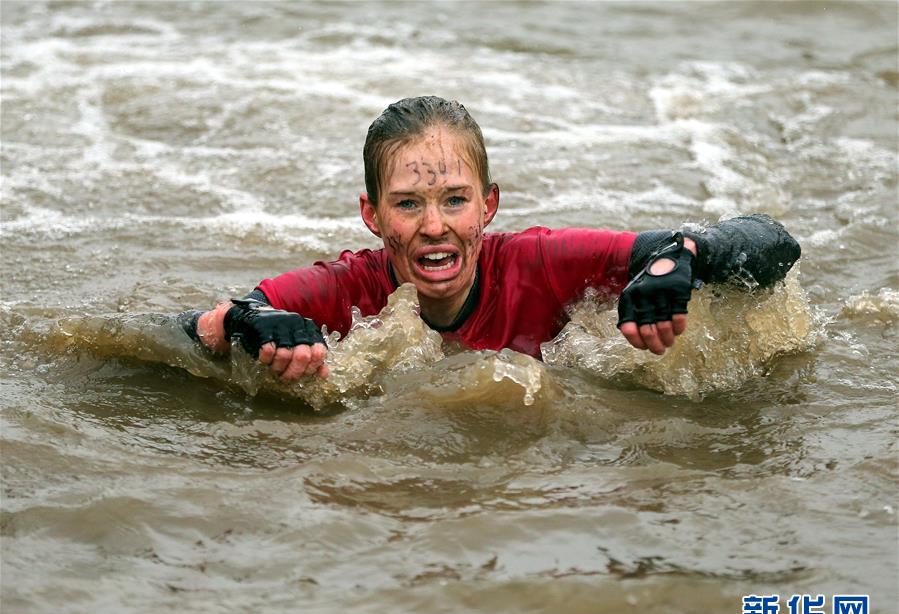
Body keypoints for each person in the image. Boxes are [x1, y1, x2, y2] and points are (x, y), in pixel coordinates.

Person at [180, 96, 800, 382]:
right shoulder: (346, 289)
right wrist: (245, 323)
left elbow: (773, 243)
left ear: (489, 206)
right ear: (372, 216)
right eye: (407, 204)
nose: (433, 226)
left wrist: (683, 258)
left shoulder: (541, 262)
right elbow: (191, 327)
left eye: (455, 200)